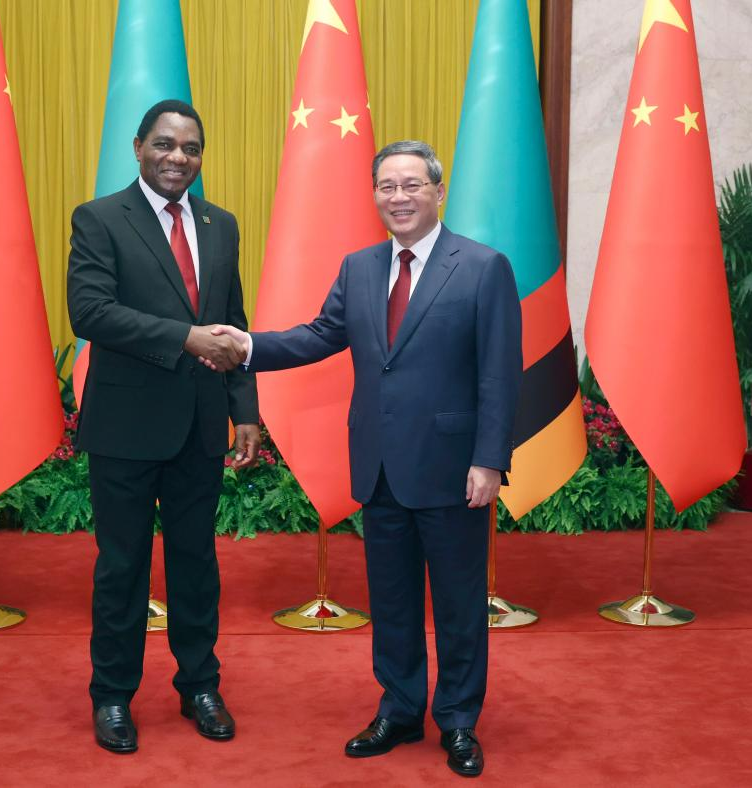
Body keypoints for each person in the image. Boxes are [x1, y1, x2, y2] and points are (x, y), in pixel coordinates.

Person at [210, 140, 521, 778]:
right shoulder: (359, 266)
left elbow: (500, 374)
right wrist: (247, 347)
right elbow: (320, 335)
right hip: (379, 466)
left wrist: (490, 459)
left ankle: (458, 720)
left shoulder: (484, 267)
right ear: (375, 195)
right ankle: (401, 709)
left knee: (459, 605)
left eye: (411, 185)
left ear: (438, 192)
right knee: (395, 600)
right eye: (387, 186)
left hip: (453, 468)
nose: (398, 197)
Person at [67, 99, 260, 754]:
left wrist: (245, 409)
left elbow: (232, 324)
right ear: (138, 146)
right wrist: (184, 338)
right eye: (165, 144)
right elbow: (90, 312)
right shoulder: (99, 219)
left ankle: (199, 684)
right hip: (125, 424)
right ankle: (113, 695)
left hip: (201, 426)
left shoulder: (221, 225)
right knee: (121, 568)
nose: (178, 157)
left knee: (195, 564)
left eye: (190, 148)